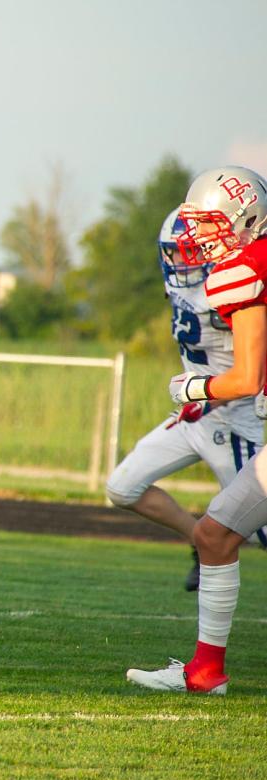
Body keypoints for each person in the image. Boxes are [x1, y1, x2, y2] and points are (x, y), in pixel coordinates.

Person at [127, 165, 267, 695]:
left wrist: (195, 390)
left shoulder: (241, 271)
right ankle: (206, 673)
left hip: (238, 412)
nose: (198, 237)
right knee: (213, 534)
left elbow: (245, 377)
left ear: (246, 221)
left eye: (209, 225)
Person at [106, 207, 263, 592]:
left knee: (258, 532)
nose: (180, 262)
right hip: (195, 413)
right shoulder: (180, 286)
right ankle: (200, 540)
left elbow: (251, 369)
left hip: (237, 416)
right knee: (122, 487)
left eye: (189, 252)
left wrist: (209, 396)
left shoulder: (237, 287)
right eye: (173, 252)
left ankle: (213, 542)